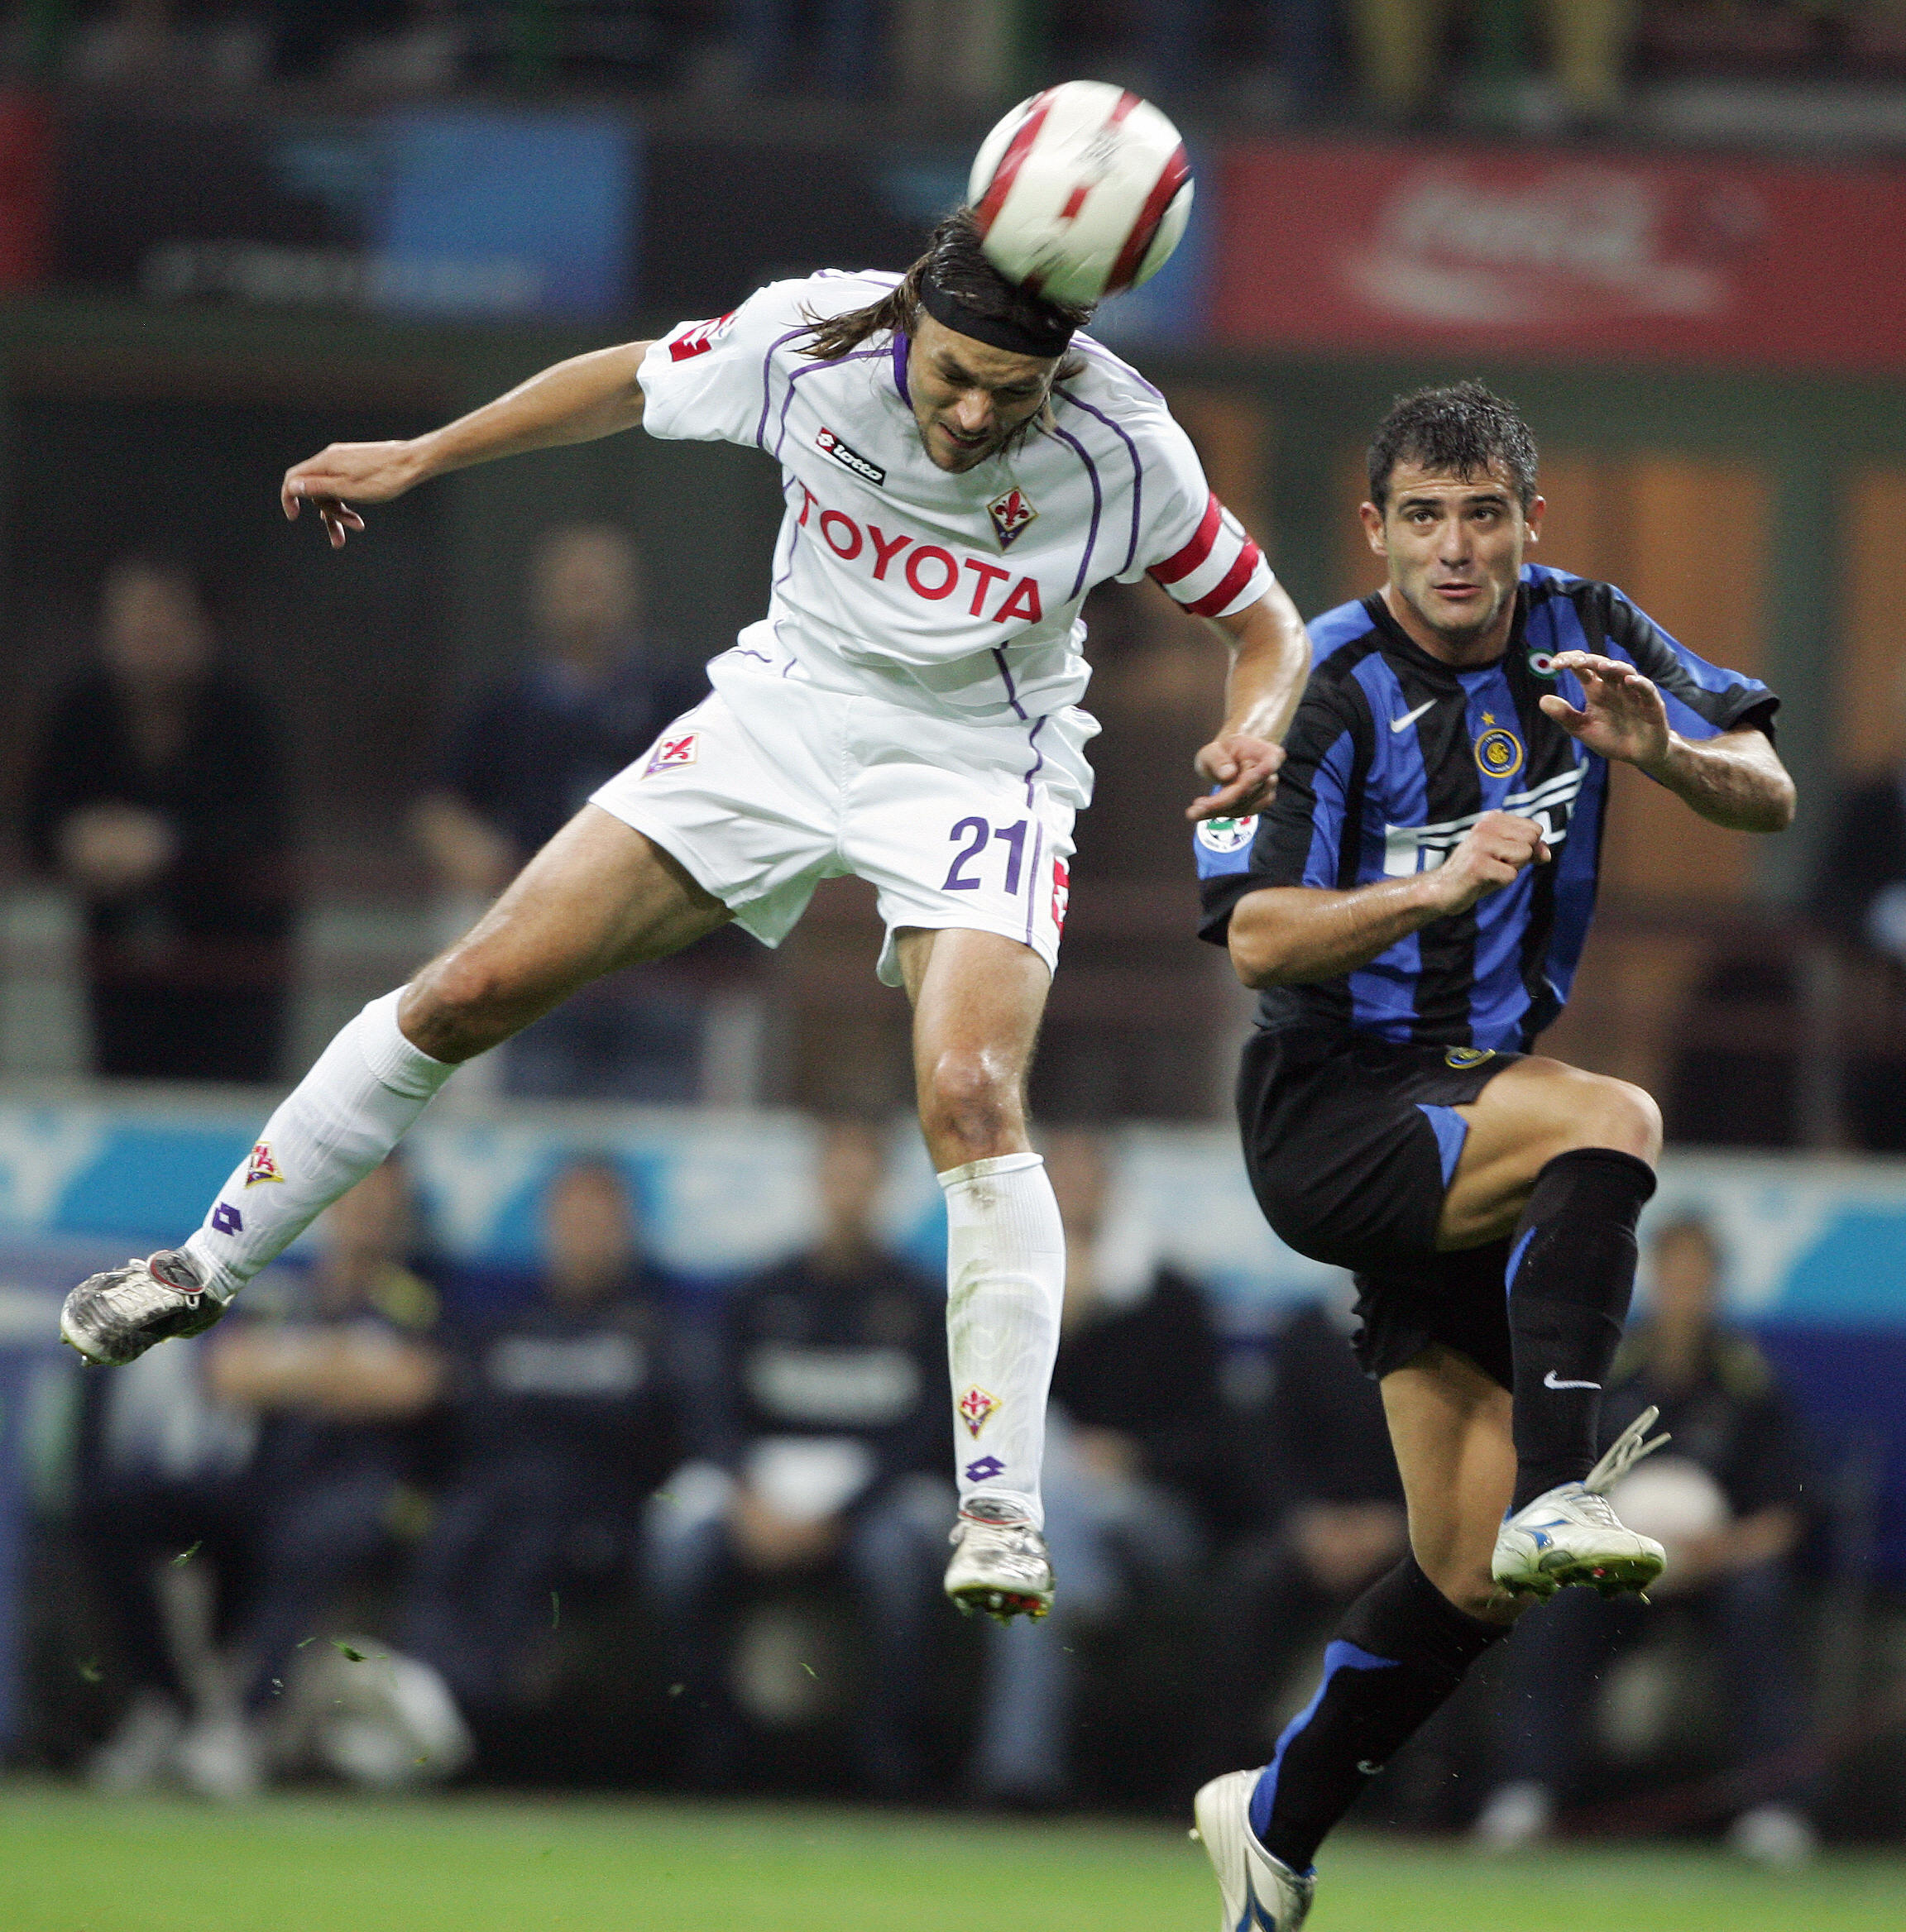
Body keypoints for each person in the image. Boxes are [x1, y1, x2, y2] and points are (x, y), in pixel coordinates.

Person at [61, 206, 1310, 1627]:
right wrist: (428, 453)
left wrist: (1253, 727)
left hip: (980, 762)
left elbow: (1262, 621)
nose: (970, 412)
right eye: (950, 374)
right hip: (781, 718)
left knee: (969, 1096)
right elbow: (624, 378)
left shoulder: (1123, 441)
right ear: (909, 321)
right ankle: (200, 1265)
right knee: (470, 987)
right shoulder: (812, 339)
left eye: (1005, 394)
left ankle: (1000, 1507)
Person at [1188, 380, 1794, 1930]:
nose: (1453, 549)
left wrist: (1662, 753)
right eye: (1422, 517)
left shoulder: (1585, 624)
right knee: (1615, 1117)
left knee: (1458, 1579)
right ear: (1372, 527)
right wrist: (1434, 889)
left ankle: (1272, 1821)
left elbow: (1766, 790)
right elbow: (1252, 935)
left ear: (1528, 520)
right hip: (1332, 1101)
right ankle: (1557, 1487)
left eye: (1481, 515)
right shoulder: (1311, 675)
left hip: (1469, 1114)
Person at [1474, 1213, 1817, 1866]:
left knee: (1759, 1604)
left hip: (1721, 1567)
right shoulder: (1607, 1377)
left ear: (1717, 1284)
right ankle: (1525, 1792)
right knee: (1555, 1604)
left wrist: (1725, 1550)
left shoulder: (1750, 1384)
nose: (1684, 1289)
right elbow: (1558, 1490)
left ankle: (1777, 1807)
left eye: (1698, 1276)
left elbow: (1785, 1515)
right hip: (1617, 1564)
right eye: (1672, 1273)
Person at [649, 1117, 949, 1795]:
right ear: (816, 1183)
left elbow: (930, 1432)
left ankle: (888, 1759)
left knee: (899, 1558)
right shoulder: (759, 1294)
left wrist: (843, 1514)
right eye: (836, 1175)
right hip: (762, 1488)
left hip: (877, 1493)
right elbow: (715, 1411)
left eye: (862, 1177)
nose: (848, 1192)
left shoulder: (921, 1302)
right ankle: (708, 1751)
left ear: (884, 1189)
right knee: (680, 1550)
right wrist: (746, 1494)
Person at [970, 1126, 1228, 1805]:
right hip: (1052, 1510)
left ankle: (1014, 1775)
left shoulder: (1170, 1296)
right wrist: (1059, 1322)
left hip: (1151, 1512)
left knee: (1043, 1525)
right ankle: (1022, 1775)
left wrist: (1132, 1455)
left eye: (1088, 1179)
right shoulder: (1010, 1294)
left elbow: (1212, 1438)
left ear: (1113, 1189)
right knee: (1045, 1518)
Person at [412, 524, 712, 1101]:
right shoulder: (507, 703)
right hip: (539, 948)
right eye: (571, 587)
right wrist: (482, 861)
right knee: (537, 1106)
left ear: (631, 595)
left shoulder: (681, 694)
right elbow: (438, 807)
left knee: (657, 1108)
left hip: (654, 943)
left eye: (599, 586)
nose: (586, 603)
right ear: (541, 599)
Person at [400, 1158, 682, 1726]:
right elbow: (468, 1420)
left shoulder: (655, 1326)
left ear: (627, 1226)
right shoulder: (509, 1322)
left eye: (599, 1218)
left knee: (534, 1548)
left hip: (604, 1512)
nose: (584, 1233)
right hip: (495, 1501)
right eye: (572, 1217)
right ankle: (419, 1686)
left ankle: (462, 1708)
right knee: (450, 1539)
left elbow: (666, 1433)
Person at [195, 1158, 446, 1795]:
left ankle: (245, 1726)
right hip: (272, 1482)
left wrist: (291, 1373)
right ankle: (165, 1705)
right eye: (353, 1201)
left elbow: (414, 1387)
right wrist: (341, 1370)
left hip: (377, 1494)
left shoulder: (421, 1302)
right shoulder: (288, 1294)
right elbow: (224, 1375)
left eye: (379, 1205)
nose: (365, 1218)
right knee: (127, 1505)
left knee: (311, 1534)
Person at [24, 552, 294, 1083]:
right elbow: (39, 823)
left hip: (232, 964)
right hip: (119, 963)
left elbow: (265, 826)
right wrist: (80, 840)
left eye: (161, 621)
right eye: (130, 622)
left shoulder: (244, 712)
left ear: (201, 629)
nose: (145, 638)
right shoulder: (80, 710)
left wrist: (167, 843)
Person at [1199, 1284, 1409, 1784]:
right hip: (1309, 1532)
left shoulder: (1451, 1338)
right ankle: (1223, 1774)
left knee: (1442, 1608)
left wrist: (1399, 1525)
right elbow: (1268, 1449)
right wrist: (1303, 1522)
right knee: (1248, 1591)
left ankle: (1420, 1792)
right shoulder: (1305, 1332)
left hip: (1412, 1535)